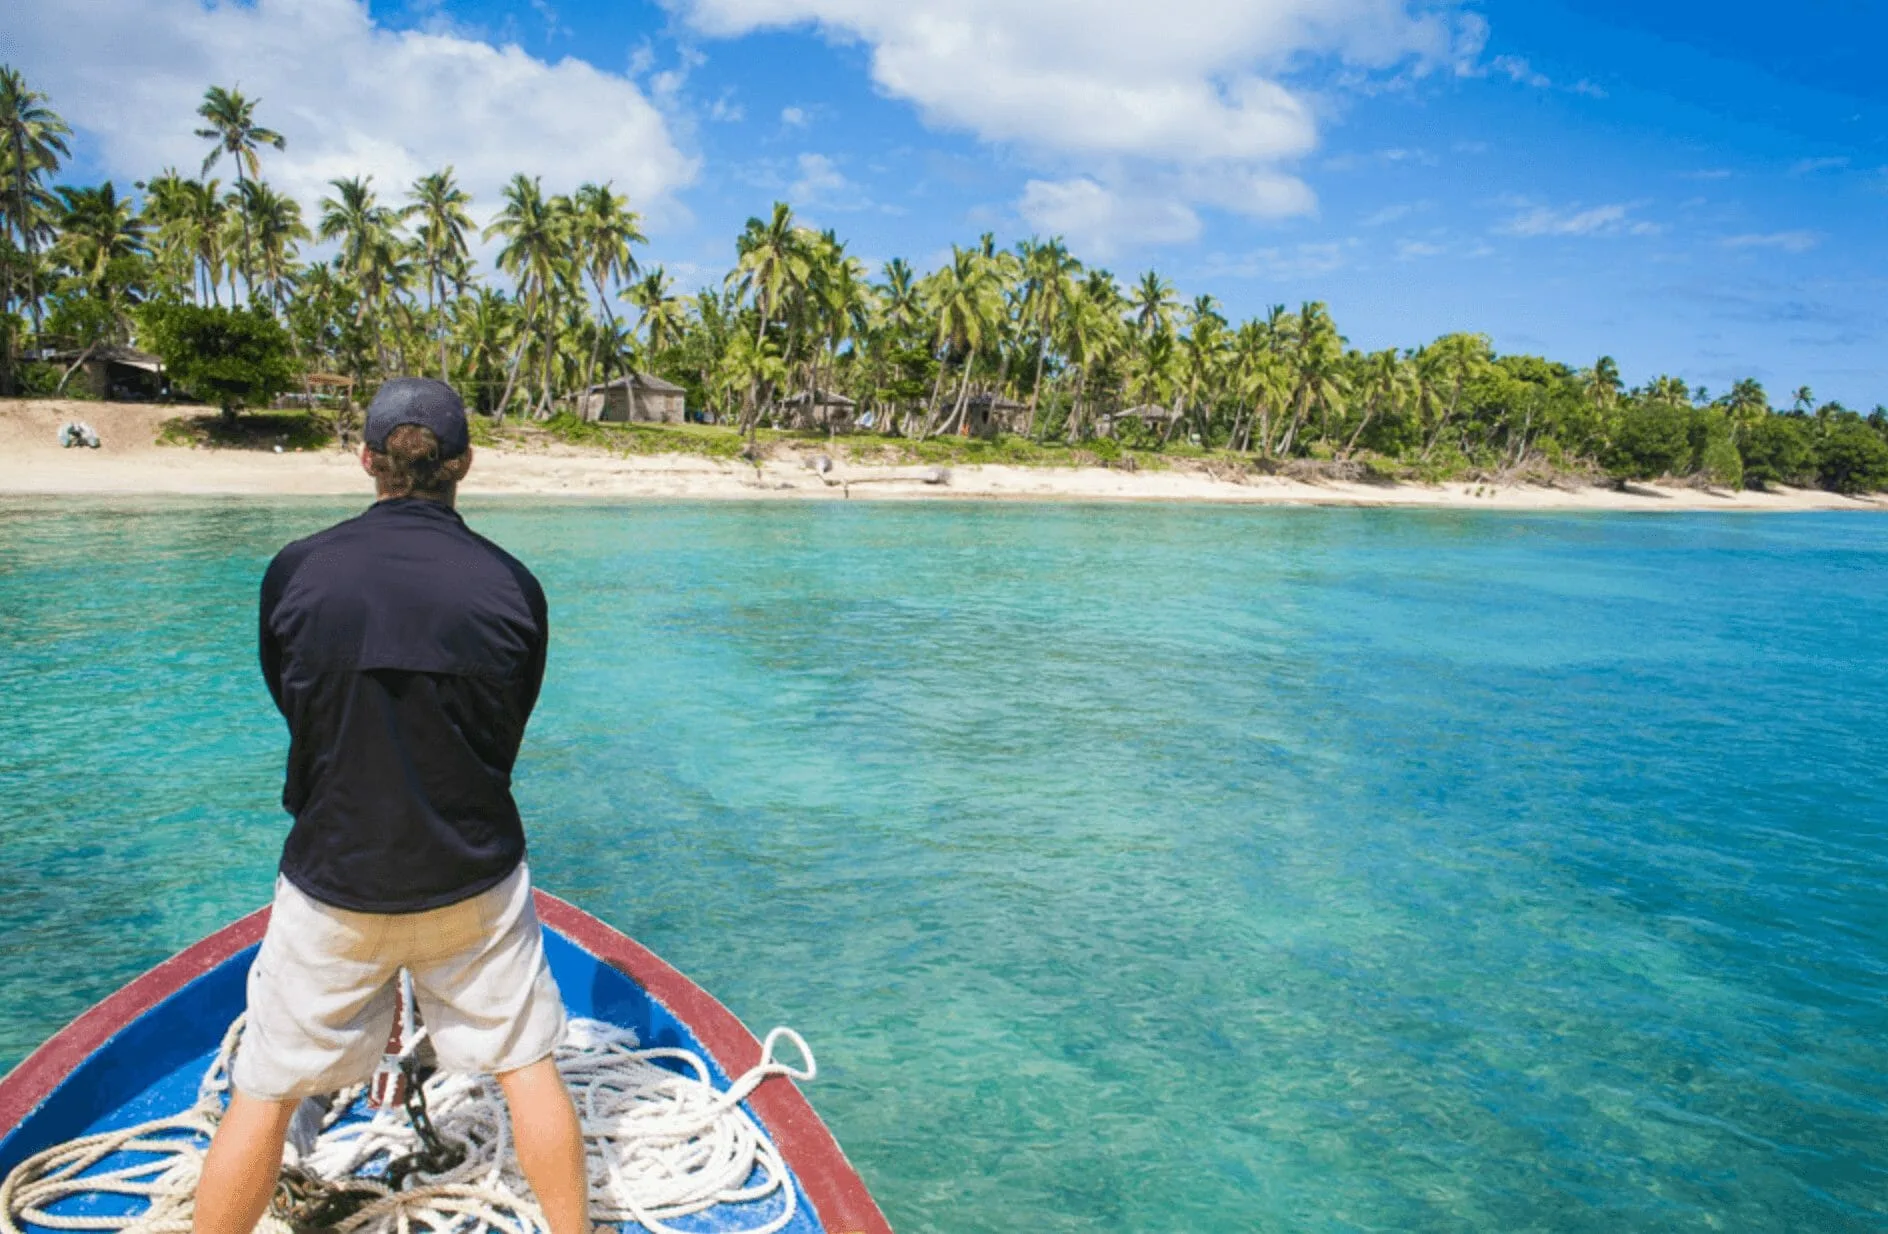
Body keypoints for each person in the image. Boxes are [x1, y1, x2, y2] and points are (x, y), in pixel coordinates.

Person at [193, 378, 589, 1234]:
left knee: (262, 1091)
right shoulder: (513, 586)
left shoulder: (297, 570)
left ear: (367, 459)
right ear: (465, 465)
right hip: (472, 884)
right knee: (529, 1068)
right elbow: (506, 724)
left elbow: (292, 696)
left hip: (335, 882)